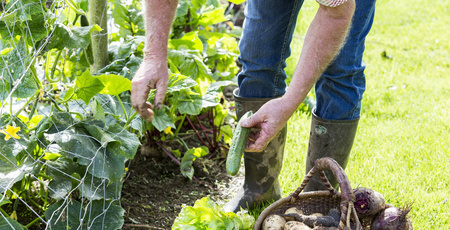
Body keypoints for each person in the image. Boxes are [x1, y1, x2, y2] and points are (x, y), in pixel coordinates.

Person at [131, 0, 377, 213]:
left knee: (341, 68)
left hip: (339, 7)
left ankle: (318, 200)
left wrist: (289, 101)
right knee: (257, 57)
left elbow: (337, 14)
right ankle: (258, 191)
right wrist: (153, 56)